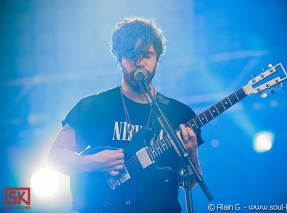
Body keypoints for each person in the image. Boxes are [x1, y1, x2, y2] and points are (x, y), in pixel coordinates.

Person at [48, 17, 204, 213]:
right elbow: (55, 157)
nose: (139, 62)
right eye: (131, 55)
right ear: (119, 59)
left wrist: (192, 154)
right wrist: (89, 162)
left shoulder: (179, 113)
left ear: (157, 58)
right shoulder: (93, 106)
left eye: (147, 55)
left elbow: (189, 184)